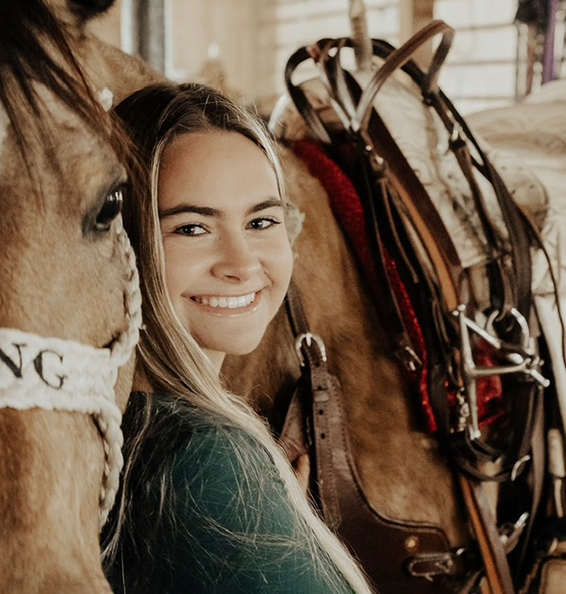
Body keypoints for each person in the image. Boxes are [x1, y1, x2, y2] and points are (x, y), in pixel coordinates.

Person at [103, 82, 372, 594]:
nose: (242, 263)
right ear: (125, 242)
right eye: (191, 228)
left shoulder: (129, 432)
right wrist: (242, 500)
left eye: (262, 221)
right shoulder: (204, 460)